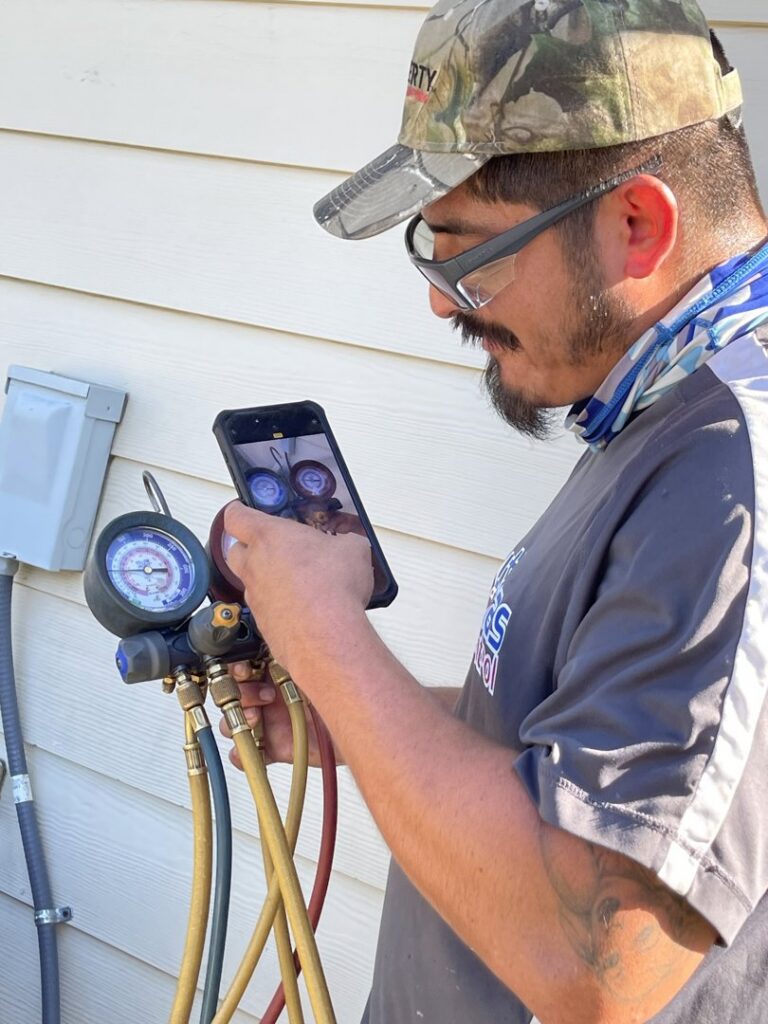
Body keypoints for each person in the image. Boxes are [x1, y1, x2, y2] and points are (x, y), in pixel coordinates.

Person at [220, 1, 768, 1021]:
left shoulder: (736, 476)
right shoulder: (664, 410)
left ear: (637, 224)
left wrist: (324, 629)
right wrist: (352, 718)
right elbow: (560, 756)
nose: (441, 301)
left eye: (466, 252)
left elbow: (591, 962)